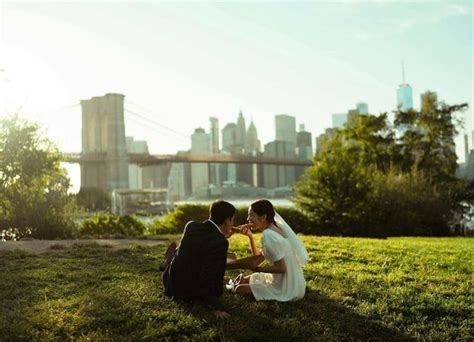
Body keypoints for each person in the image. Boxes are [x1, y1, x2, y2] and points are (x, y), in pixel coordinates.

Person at [161, 200, 236, 318]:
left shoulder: (190, 225)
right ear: (227, 220)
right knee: (180, 258)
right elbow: (211, 276)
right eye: (232, 220)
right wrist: (216, 306)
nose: (233, 223)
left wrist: (221, 235)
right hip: (187, 294)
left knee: (179, 255)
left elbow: (204, 242)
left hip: (170, 284)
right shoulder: (220, 242)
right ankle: (169, 258)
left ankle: (169, 258)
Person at [228, 199, 309, 302]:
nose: (248, 219)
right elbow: (259, 257)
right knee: (246, 279)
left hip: (286, 288)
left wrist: (258, 269)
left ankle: (241, 285)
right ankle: (243, 282)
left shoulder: (269, 235)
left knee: (240, 289)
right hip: (296, 285)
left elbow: (281, 268)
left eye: (251, 215)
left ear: (263, 217)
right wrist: (250, 237)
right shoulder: (274, 229)